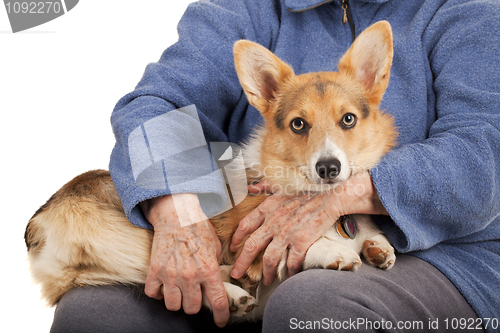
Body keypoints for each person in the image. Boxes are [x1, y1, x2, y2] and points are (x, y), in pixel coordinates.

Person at [50, 0, 500, 332]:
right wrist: (177, 214)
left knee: (311, 304)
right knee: (93, 314)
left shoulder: (466, 9)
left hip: (446, 257)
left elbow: (484, 149)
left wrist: (342, 197)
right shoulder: (245, 8)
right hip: (246, 255)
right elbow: (157, 104)